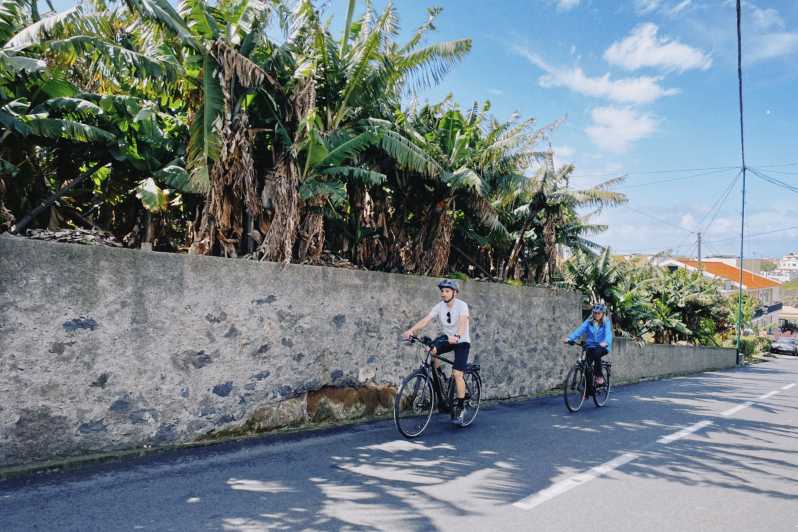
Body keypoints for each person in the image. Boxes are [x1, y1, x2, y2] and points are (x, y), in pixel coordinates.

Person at [403, 279, 471, 426]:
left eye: (447, 291)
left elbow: (463, 322)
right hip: (448, 339)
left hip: (462, 341)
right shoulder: (440, 306)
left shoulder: (462, 305)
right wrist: (411, 330)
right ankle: (442, 379)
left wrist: (458, 336)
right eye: (442, 291)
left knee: (458, 374)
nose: (443, 294)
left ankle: (460, 407)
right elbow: (426, 320)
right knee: (430, 350)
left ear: (455, 293)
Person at [564, 303, 613, 385]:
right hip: (590, 346)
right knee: (587, 366)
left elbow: (608, 333)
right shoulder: (589, 321)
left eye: (599, 313)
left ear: (603, 314)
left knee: (597, 353)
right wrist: (570, 338)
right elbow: (579, 330)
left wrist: (606, 342)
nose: (596, 315)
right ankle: (587, 391)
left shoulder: (606, 322)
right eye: (595, 312)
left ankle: (599, 376)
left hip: (603, 346)